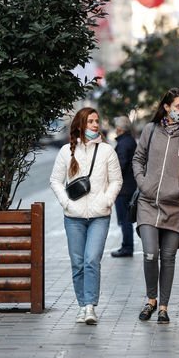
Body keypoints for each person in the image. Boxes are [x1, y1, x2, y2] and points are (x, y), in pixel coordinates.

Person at [132, 88, 179, 324]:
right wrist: (142, 183)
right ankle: (150, 300)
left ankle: (163, 307)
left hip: (175, 206)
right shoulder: (151, 130)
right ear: (167, 107)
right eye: (178, 106)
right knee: (151, 254)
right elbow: (138, 158)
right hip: (148, 202)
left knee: (168, 257)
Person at [50, 107, 122, 325]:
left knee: (92, 260)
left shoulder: (107, 151)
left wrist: (106, 201)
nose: (95, 125)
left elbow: (117, 181)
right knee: (78, 262)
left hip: (99, 216)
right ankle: (82, 305)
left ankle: (90, 306)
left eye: (96, 121)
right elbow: (55, 180)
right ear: (81, 125)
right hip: (74, 217)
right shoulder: (66, 151)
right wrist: (66, 203)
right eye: (90, 121)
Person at [111, 116, 138, 257]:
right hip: (129, 185)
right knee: (126, 219)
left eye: (116, 127)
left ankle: (127, 247)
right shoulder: (129, 141)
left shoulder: (123, 143)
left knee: (125, 220)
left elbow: (120, 165)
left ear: (120, 129)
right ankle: (127, 246)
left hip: (124, 188)